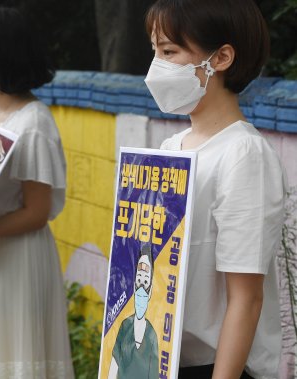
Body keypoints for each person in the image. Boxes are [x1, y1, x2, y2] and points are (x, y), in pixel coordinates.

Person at [145, 0, 286, 378]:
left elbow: (246, 297)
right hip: (162, 360)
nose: (156, 66)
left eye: (169, 51)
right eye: (155, 51)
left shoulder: (244, 155)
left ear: (221, 58)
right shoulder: (170, 149)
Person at [0, 7, 74, 378]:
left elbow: (36, 213)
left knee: (12, 360)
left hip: (16, 260)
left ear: (4, 56)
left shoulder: (33, 123)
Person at [109, 244, 158, 379]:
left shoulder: (152, 336)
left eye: (145, 282)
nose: (141, 287)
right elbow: (114, 365)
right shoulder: (125, 326)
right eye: (139, 280)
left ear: (151, 291)